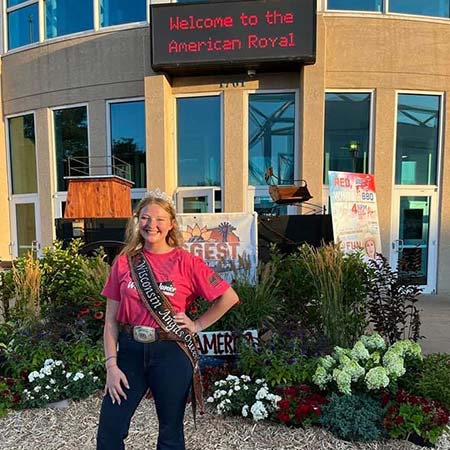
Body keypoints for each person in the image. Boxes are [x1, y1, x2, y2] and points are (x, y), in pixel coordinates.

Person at [96, 189, 239, 450]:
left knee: (170, 432)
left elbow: (228, 297)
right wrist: (111, 366)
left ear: (171, 223)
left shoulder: (187, 262)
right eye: (145, 218)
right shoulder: (124, 263)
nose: (152, 225)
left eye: (160, 219)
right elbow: (110, 322)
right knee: (110, 428)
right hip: (129, 354)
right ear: (137, 221)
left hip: (171, 353)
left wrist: (196, 325)